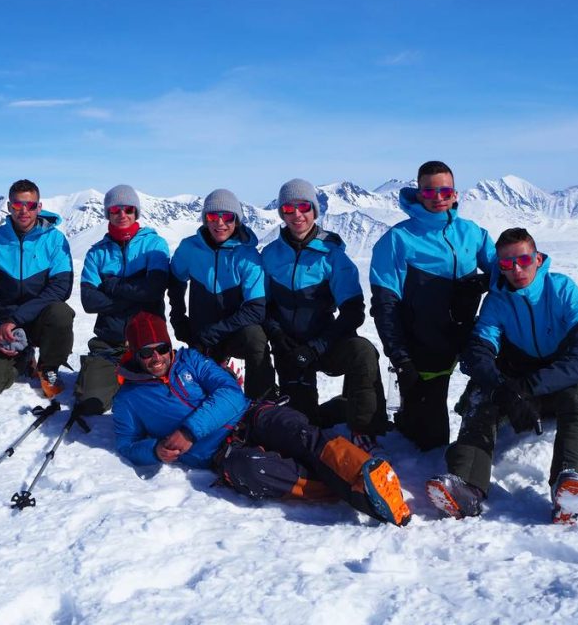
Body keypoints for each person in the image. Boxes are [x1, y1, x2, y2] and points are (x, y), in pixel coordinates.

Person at [111, 312, 411, 526]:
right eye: (146, 353)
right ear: (134, 354)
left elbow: (230, 393)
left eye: (162, 349)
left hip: (251, 415)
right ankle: (350, 491)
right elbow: (126, 444)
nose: (157, 359)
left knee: (298, 432)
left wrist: (189, 431)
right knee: (255, 471)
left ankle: (370, 476)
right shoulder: (127, 399)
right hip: (222, 453)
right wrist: (154, 450)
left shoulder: (190, 360)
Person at [426, 227, 578, 524]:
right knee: (480, 396)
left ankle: (571, 483)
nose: (516, 269)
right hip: (518, 381)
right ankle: (465, 485)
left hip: (561, 379)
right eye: (507, 264)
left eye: (523, 260)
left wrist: (528, 387)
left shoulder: (561, 289)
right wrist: (503, 390)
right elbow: (478, 352)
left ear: (537, 258)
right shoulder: (497, 301)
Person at [370, 160, 495, 450]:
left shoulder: (471, 232)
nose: (438, 198)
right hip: (425, 347)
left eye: (444, 190)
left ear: (455, 194)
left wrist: (481, 282)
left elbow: (506, 275)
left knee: (501, 385)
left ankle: (473, 404)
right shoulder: (397, 240)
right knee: (430, 441)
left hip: (467, 336)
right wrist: (401, 358)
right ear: (419, 194)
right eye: (429, 192)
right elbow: (385, 306)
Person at [261, 178, 389, 449]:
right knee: (305, 425)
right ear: (281, 213)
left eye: (304, 207)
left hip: (326, 344)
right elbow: (264, 307)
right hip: (290, 350)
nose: (297, 215)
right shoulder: (269, 255)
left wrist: (316, 347)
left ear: (315, 211)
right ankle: (340, 409)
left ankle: (365, 429)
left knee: (363, 351)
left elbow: (353, 313)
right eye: (288, 209)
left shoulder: (332, 256)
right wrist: (279, 338)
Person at [0, 179, 75, 397]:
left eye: (30, 205)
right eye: (17, 205)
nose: (24, 211)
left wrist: (17, 319)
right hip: (5, 324)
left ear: (39, 207)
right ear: (9, 207)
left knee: (60, 313)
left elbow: (61, 288)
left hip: (39, 320)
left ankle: (49, 367)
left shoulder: (54, 240)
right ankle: (24, 358)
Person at [168, 189, 275, 400]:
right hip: (200, 334)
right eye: (212, 216)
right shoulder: (190, 248)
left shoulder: (248, 255)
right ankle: (223, 378)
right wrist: (178, 319)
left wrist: (216, 331)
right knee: (195, 395)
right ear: (205, 219)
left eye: (227, 217)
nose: (220, 223)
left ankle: (261, 402)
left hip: (234, 333)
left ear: (237, 220)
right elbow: (175, 281)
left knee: (256, 337)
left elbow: (256, 309)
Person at [76, 184, 170, 415]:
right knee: (91, 403)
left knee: (164, 403)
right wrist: (135, 298)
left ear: (135, 212)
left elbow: (154, 291)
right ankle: (115, 375)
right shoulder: (97, 253)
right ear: (108, 213)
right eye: (115, 210)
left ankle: (126, 378)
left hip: (150, 343)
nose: (122, 215)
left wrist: (111, 286)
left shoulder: (154, 245)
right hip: (110, 341)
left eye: (128, 209)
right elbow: (89, 301)